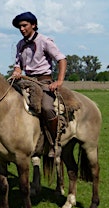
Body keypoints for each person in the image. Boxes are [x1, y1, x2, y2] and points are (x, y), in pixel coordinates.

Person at [10, 11, 67, 156]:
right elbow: (18, 65)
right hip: (26, 81)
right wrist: (17, 71)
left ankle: (55, 142)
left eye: (24, 26)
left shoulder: (45, 41)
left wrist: (59, 81)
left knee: (46, 107)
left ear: (33, 25)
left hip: (43, 81)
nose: (22, 29)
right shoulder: (20, 44)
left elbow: (61, 59)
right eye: (19, 27)